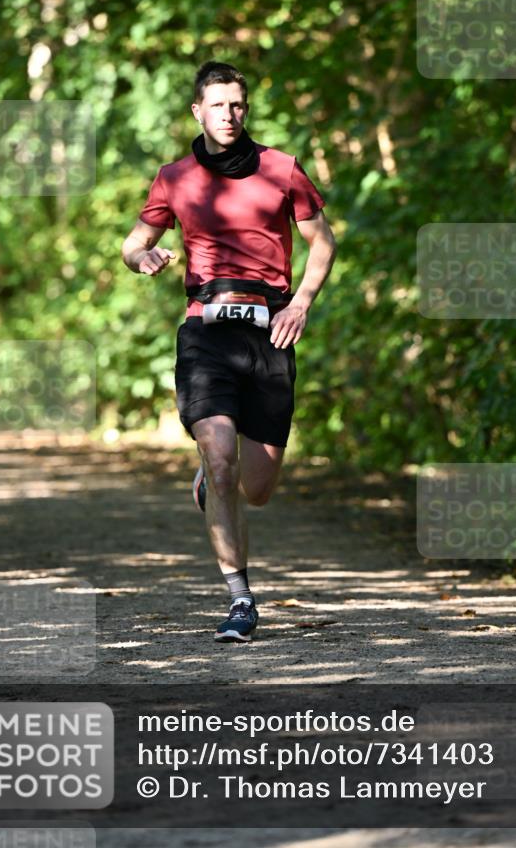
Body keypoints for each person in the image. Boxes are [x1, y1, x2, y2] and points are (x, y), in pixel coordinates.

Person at [122, 61, 336, 642]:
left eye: (237, 104)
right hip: (205, 330)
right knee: (222, 459)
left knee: (257, 489)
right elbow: (135, 241)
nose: (229, 114)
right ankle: (240, 600)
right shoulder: (175, 177)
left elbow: (323, 242)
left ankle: (214, 476)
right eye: (218, 105)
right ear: (198, 110)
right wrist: (141, 257)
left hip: (271, 330)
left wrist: (302, 304)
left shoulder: (282, 170)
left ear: (247, 108)